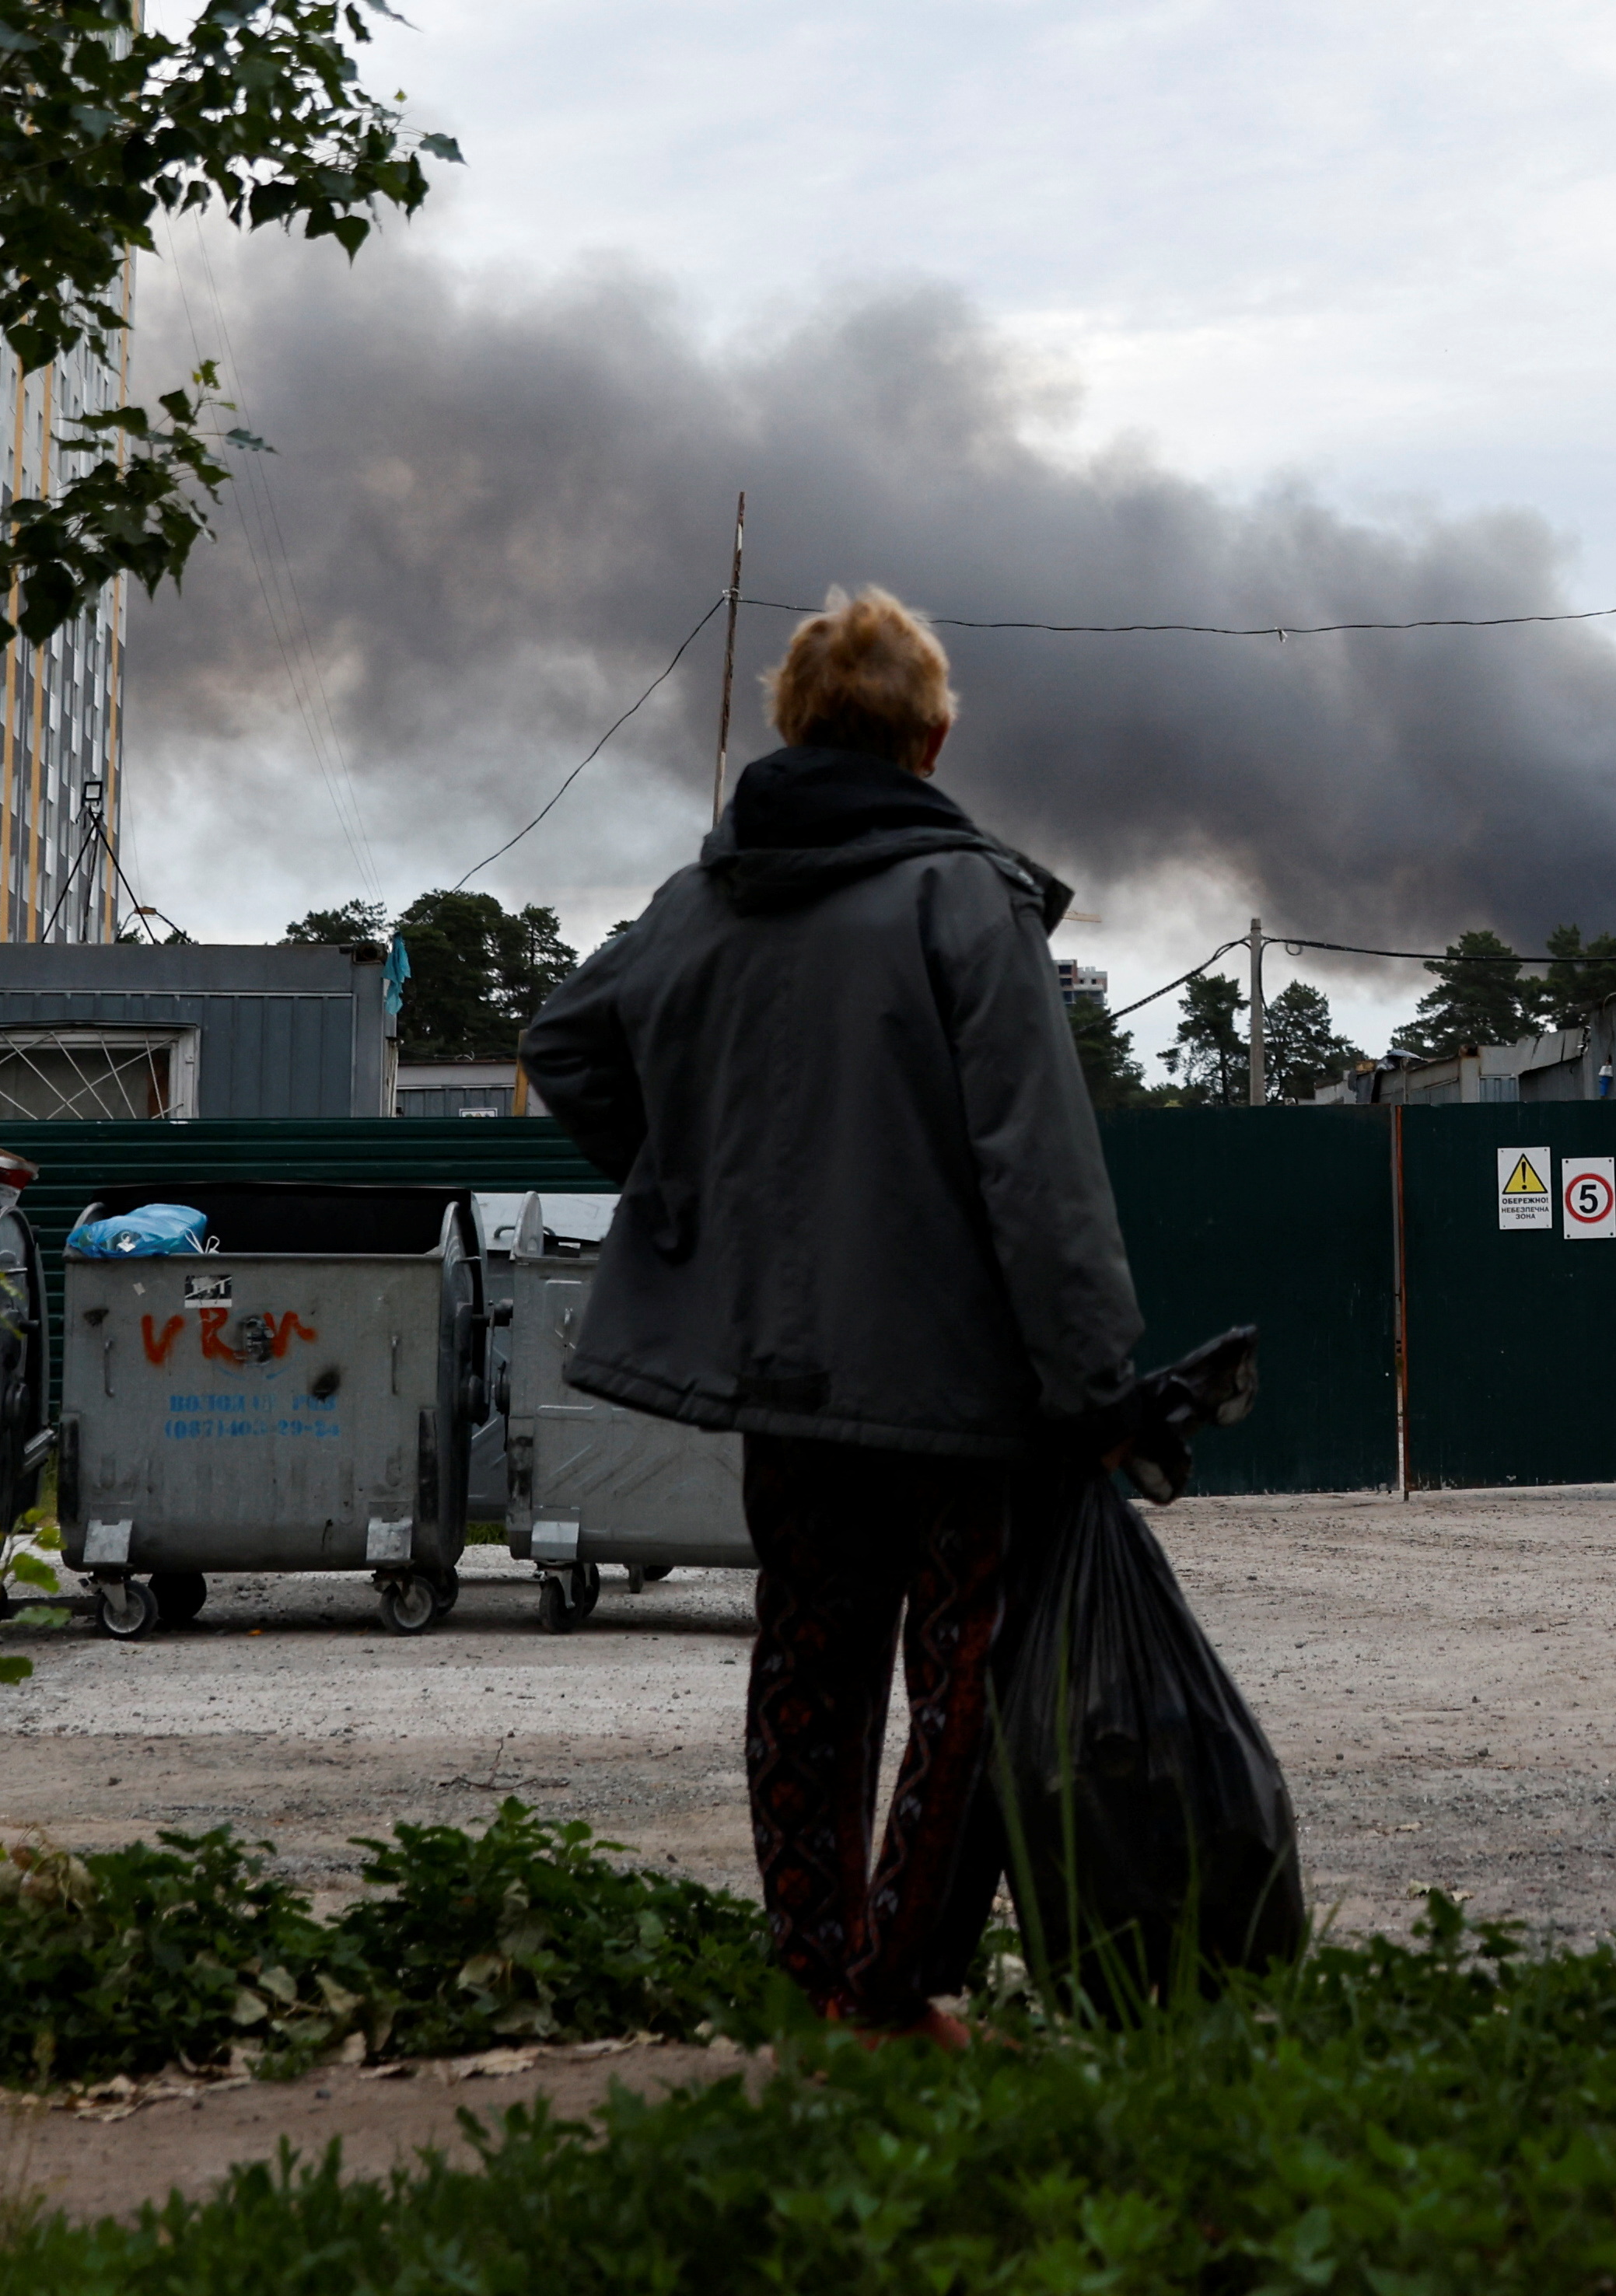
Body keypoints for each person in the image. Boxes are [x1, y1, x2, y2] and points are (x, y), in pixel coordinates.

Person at [521, 587, 1140, 2047]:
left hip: (785, 1381)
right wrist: (1098, 1379)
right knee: (963, 1674)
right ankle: (895, 1987)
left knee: (807, 1652)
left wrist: (702, 1190)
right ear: (928, 742)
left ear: (795, 729)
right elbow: (1038, 1168)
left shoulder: (700, 901)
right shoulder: (960, 899)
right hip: (949, 1381)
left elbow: (566, 1041)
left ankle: (819, 1970)